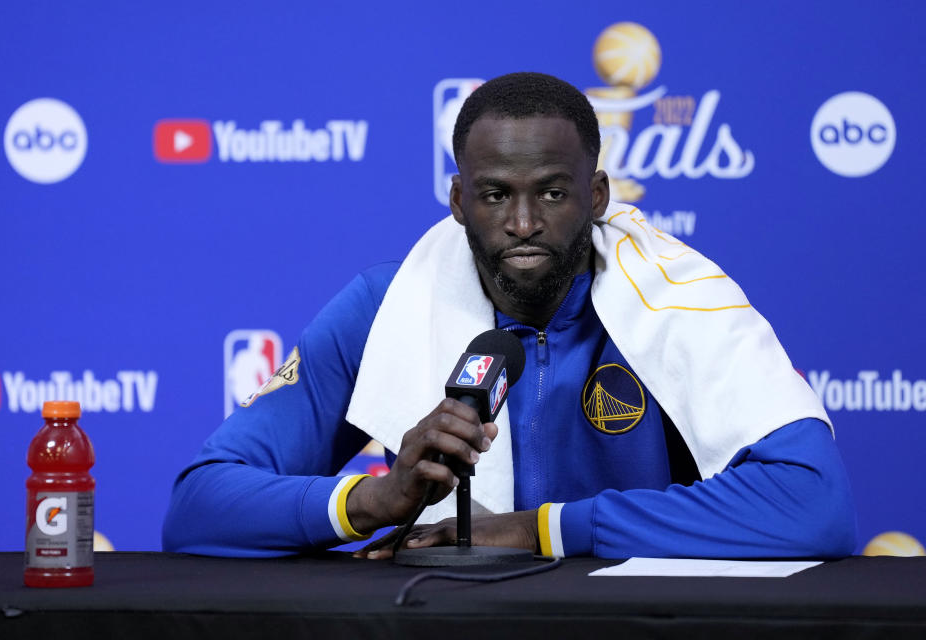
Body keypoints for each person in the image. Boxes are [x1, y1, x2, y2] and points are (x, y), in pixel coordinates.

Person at [162, 72, 856, 559]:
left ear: (598, 195)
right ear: (459, 201)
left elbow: (814, 504)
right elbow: (199, 506)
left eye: (552, 193)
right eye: (495, 196)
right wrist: (378, 502)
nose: (523, 223)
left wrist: (538, 530)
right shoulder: (386, 303)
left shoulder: (679, 296)